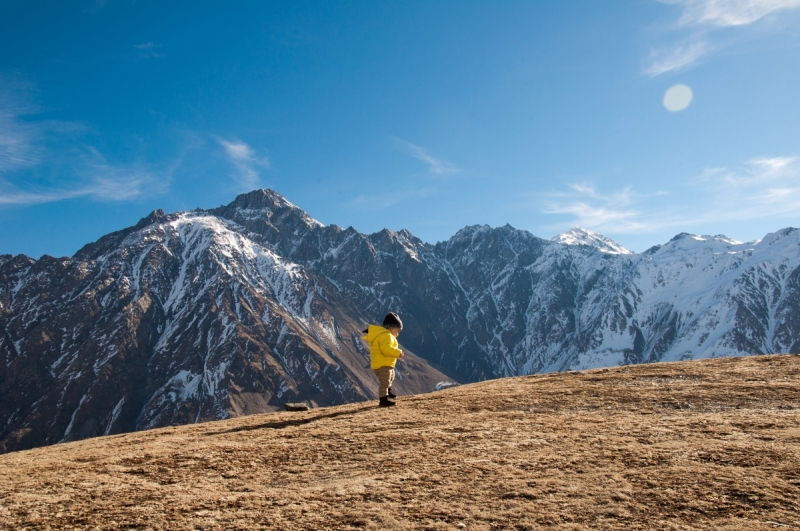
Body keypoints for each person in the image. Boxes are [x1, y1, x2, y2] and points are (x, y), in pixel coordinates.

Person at [362, 312, 405, 407]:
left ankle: (388, 392)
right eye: (398, 331)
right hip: (383, 365)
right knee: (385, 382)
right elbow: (386, 349)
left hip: (382, 364)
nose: (398, 334)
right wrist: (398, 353)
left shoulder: (384, 335)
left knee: (391, 376)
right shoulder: (387, 336)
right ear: (392, 328)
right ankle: (383, 400)